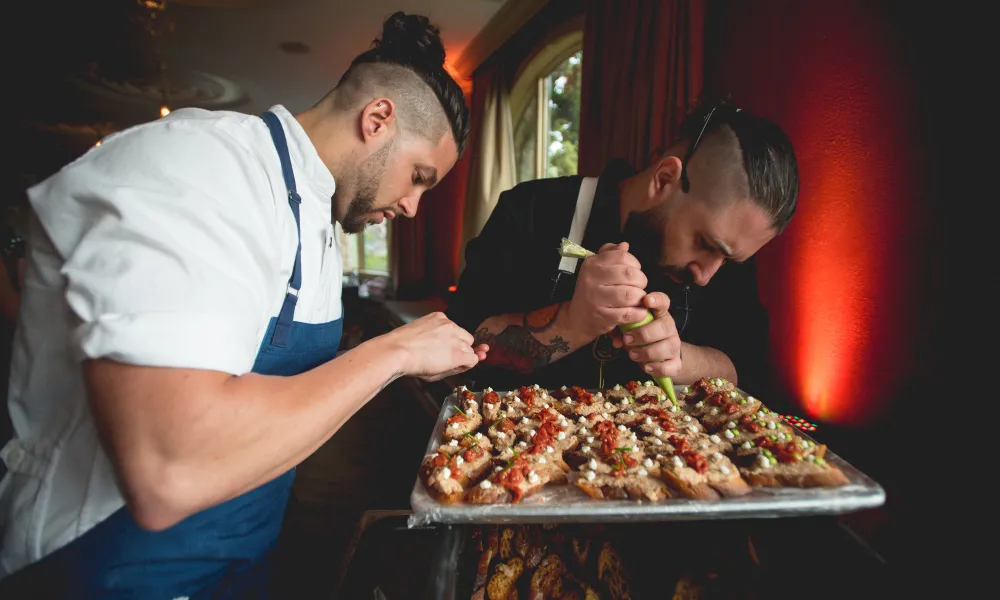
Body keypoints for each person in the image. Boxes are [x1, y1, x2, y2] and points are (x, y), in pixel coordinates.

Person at [0, 12, 488, 598]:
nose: (413, 206)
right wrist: (395, 352)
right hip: (109, 567)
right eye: (418, 177)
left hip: (243, 555)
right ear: (378, 118)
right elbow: (170, 469)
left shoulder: (322, 220)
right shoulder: (202, 165)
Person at [447, 99, 798, 397]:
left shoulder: (725, 259)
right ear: (664, 179)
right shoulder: (532, 209)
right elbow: (460, 346)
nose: (706, 276)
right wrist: (574, 322)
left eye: (729, 259)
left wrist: (679, 359)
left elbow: (746, 372)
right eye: (704, 244)